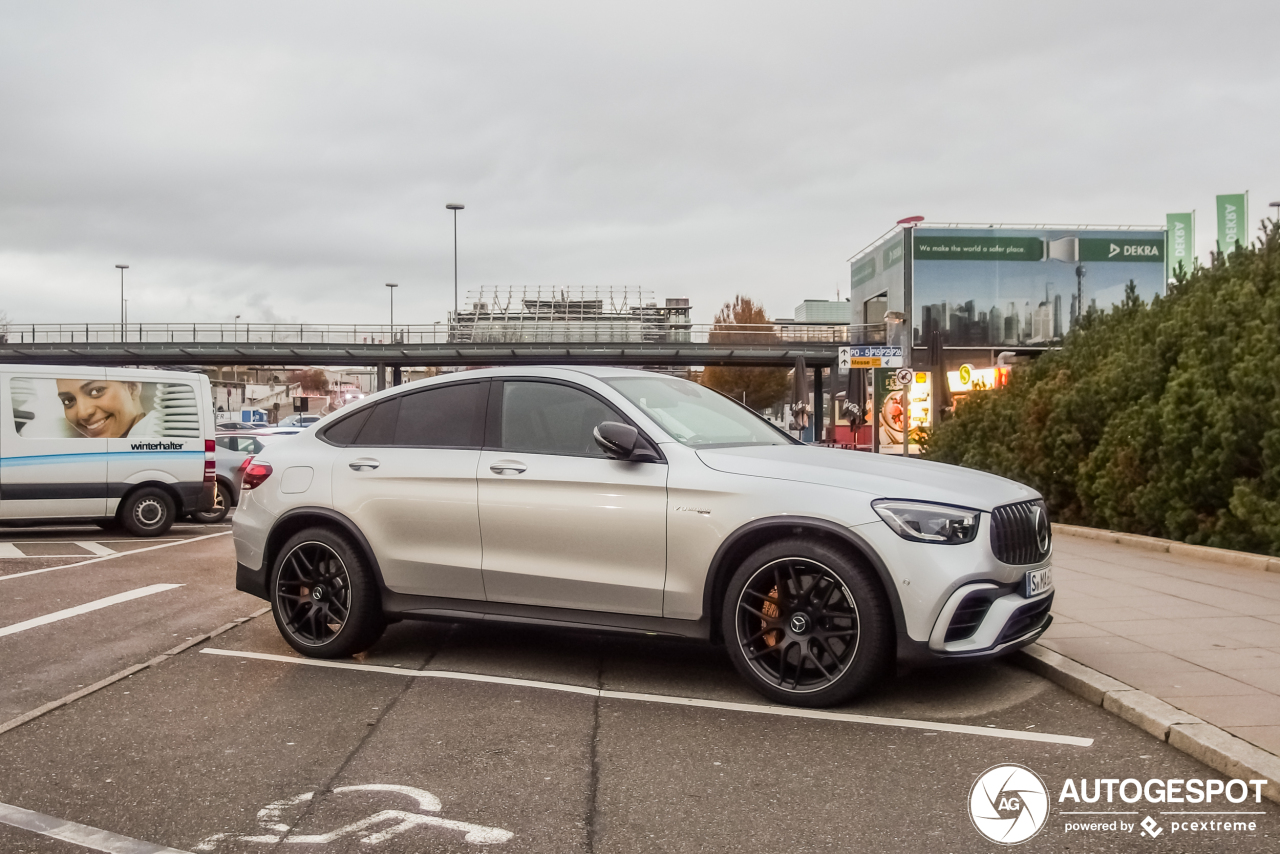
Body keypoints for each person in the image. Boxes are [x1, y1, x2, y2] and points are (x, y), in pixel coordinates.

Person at [55, 378, 158, 439]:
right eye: (68, 400)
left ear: (132, 388)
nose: (83, 413)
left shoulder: (158, 437)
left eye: (96, 391)